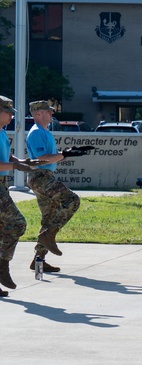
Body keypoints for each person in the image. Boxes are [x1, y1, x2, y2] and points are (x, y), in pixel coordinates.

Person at [25, 100, 81, 274]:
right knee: (72, 200)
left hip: (44, 176)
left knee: (48, 217)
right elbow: (42, 158)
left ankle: (38, 260)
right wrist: (63, 154)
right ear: (37, 114)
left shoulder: (45, 132)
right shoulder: (36, 133)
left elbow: (51, 157)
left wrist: (68, 154)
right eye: (48, 111)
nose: (52, 114)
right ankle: (49, 235)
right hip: (39, 176)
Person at [0, 97, 33, 295]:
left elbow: (5, 158)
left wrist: (23, 161)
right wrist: (15, 166)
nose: (12, 115)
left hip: (2, 185)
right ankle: (3, 265)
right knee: (17, 223)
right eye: (8, 111)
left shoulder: (2, 133)